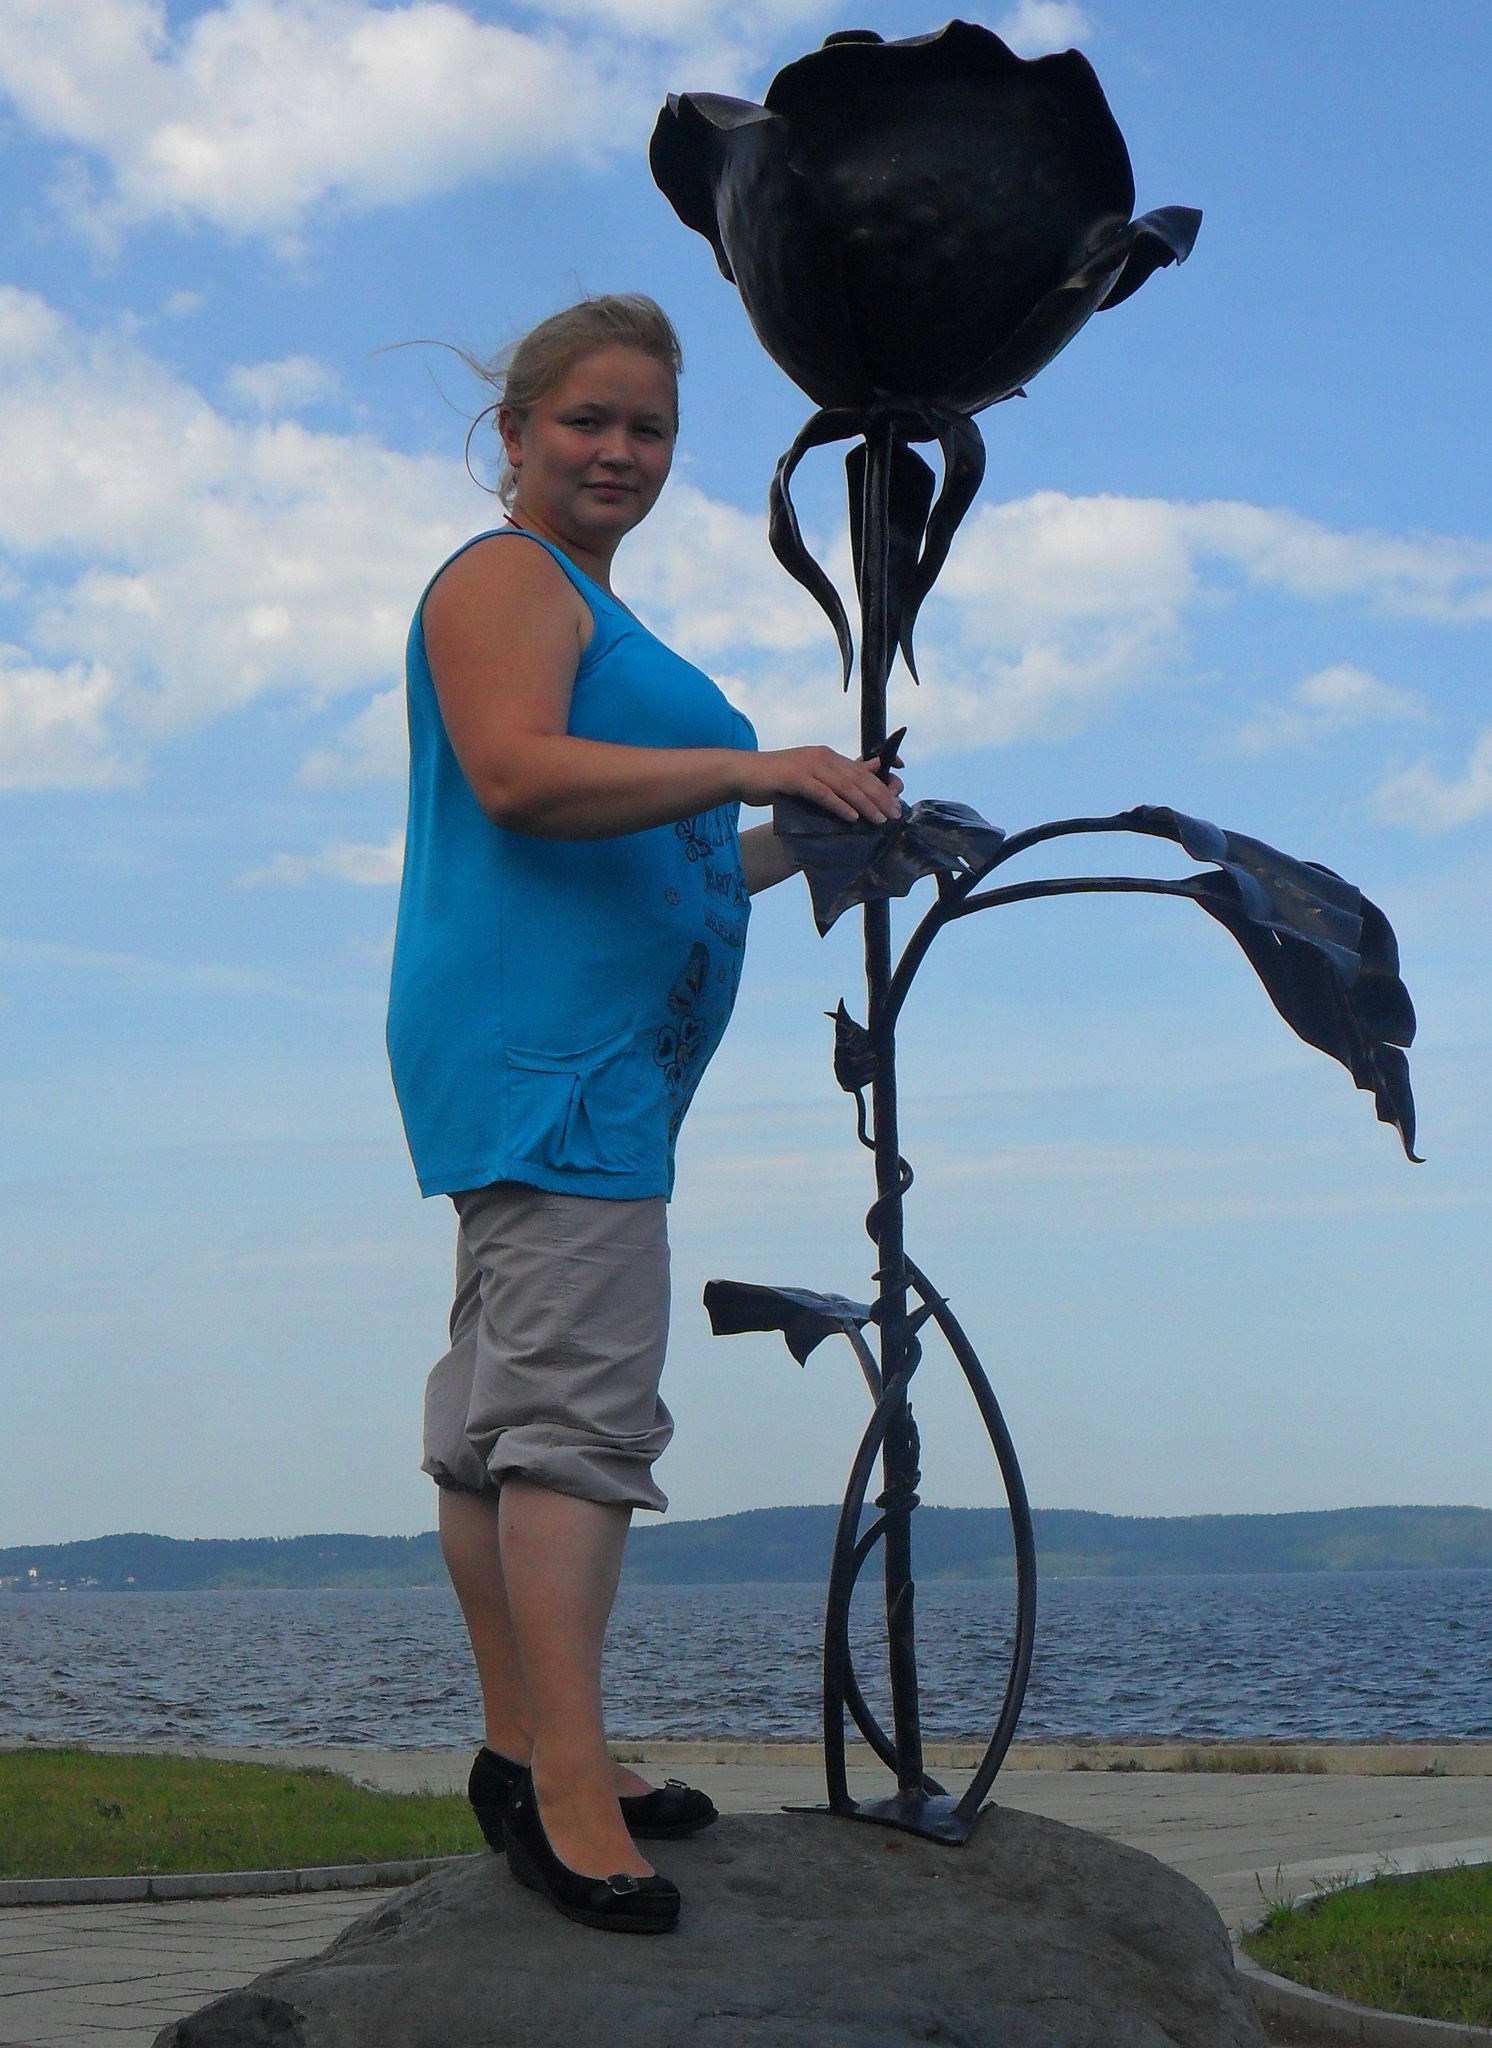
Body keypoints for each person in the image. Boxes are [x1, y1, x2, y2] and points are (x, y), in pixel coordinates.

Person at [386, 294, 902, 1933]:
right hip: (560, 1068)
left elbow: (673, 860)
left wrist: (813, 828)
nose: (620, 451)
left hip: (561, 1067)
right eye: (588, 421)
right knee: (575, 1430)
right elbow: (518, 776)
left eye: (651, 429)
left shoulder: (586, 603)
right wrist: (757, 767)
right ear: (516, 432)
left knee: (494, 1426)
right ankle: (569, 1797)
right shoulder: (505, 579)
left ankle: (529, 1748)